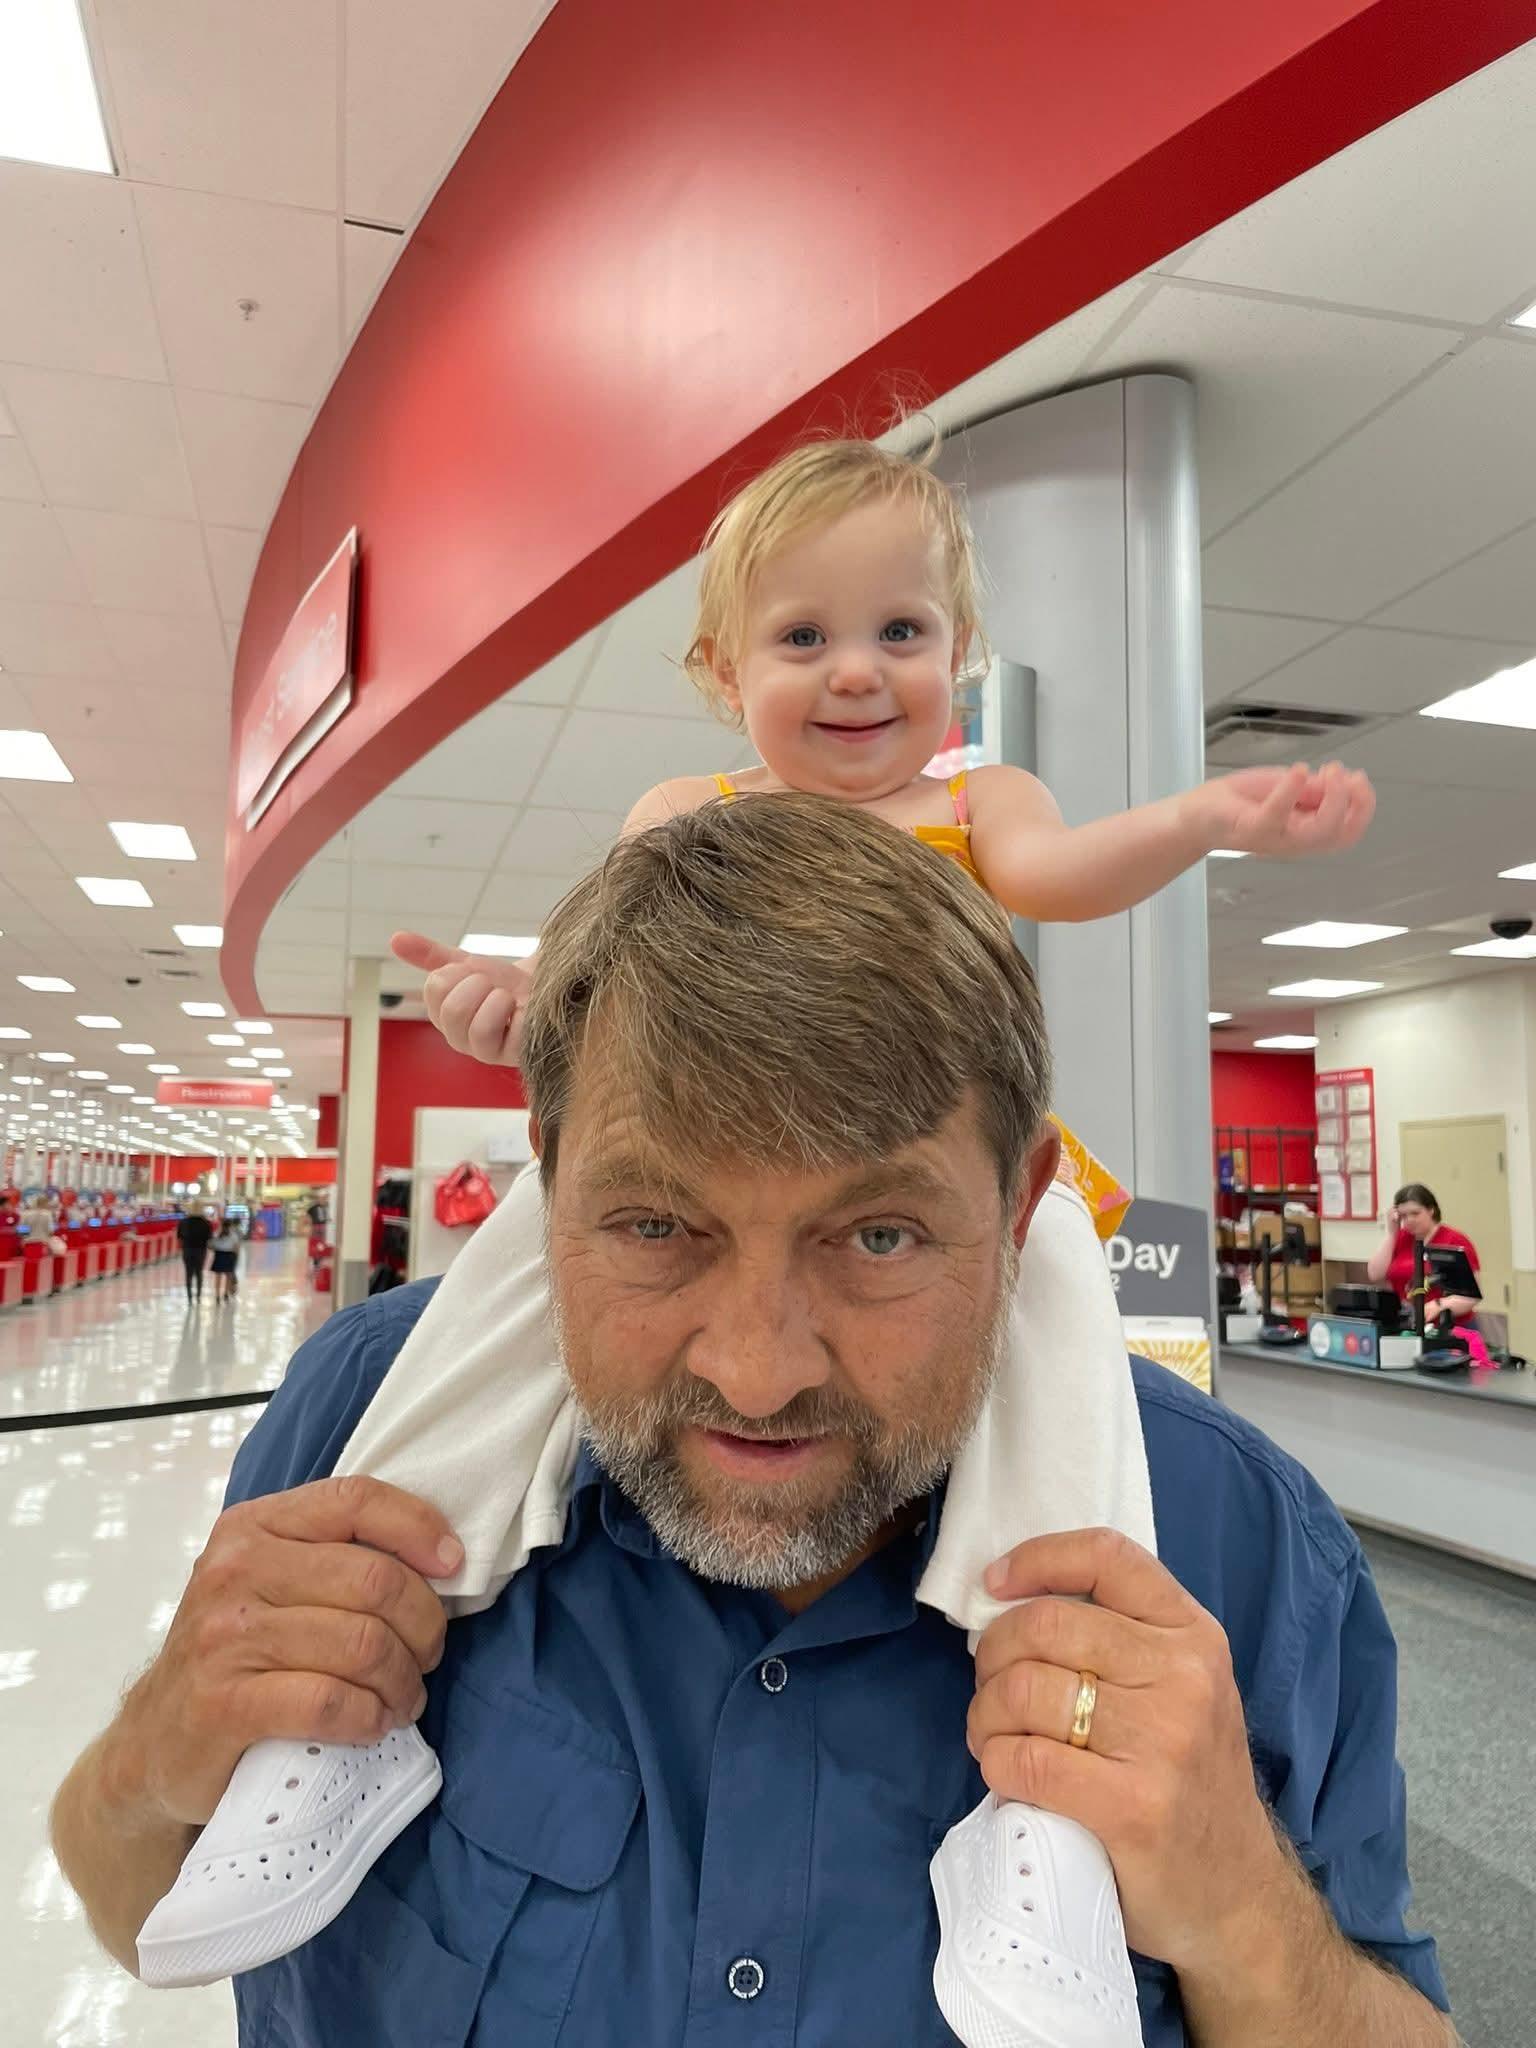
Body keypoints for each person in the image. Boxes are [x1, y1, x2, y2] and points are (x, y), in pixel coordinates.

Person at [128, 434, 1377, 2034]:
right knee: (486, 1319)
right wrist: (517, 1004)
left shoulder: (981, 803)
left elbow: (1065, 874)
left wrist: (1205, 815)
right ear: (725, 671)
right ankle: (337, 1715)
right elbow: (607, 995)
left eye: (901, 634)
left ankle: (1044, 1828)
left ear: (961, 655)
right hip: (700, 1143)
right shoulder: (683, 814)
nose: (857, 674)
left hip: (962, 1154)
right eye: (805, 638)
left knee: (1070, 1408)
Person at [1367, 1183, 1482, 1332]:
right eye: (1404, 1216)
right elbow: (1374, 1274)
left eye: (1415, 1214)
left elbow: (1472, 1295)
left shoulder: (1454, 1241)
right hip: (1408, 1323)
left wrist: (1440, 1305)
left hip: (1450, 1327)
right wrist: (1392, 1233)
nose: (1409, 1220)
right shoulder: (1400, 1238)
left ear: (1431, 1210)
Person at [176, 1205, 213, 1306]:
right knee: (199, 1272)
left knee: (188, 1273)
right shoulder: (206, 1223)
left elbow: (179, 1237)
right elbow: (209, 1239)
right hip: (201, 1251)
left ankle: (189, 1297)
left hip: (187, 1250)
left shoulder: (183, 1222)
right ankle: (198, 1296)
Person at [210, 1217, 242, 1304]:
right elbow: (236, 1247)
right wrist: (236, 1257)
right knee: (228, 1276)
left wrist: (218, 1248)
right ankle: (226, 1294)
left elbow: (211, 1245)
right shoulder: (233, 1235)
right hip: (230, 1256)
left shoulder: (216, 1233)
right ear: (230, 1225)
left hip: (219, 1255)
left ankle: (217, 1295)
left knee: (218, 1277)